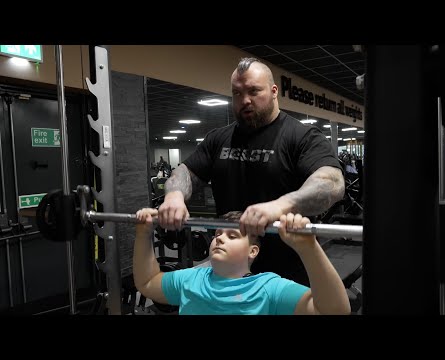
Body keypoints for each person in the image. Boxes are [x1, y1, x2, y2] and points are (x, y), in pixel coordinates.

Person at [157, 57, 345, 286]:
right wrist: (174, 196)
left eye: (254, 91)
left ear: (274, 91)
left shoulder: (302, 137)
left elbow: (332, 183)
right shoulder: (218, 139)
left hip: (286, 276)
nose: (245, 100)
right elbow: (186, 171)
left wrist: (279, 206)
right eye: (237, 93)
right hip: (231, 272)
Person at [133, 208, 351, 315]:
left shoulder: (267, 288)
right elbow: (147, 283)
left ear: (253, 251)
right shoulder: (191, 278)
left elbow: (335, 310)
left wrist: (309, 248)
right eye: (218, 233)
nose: (219, 238)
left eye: (232, 236)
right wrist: (143, 233)